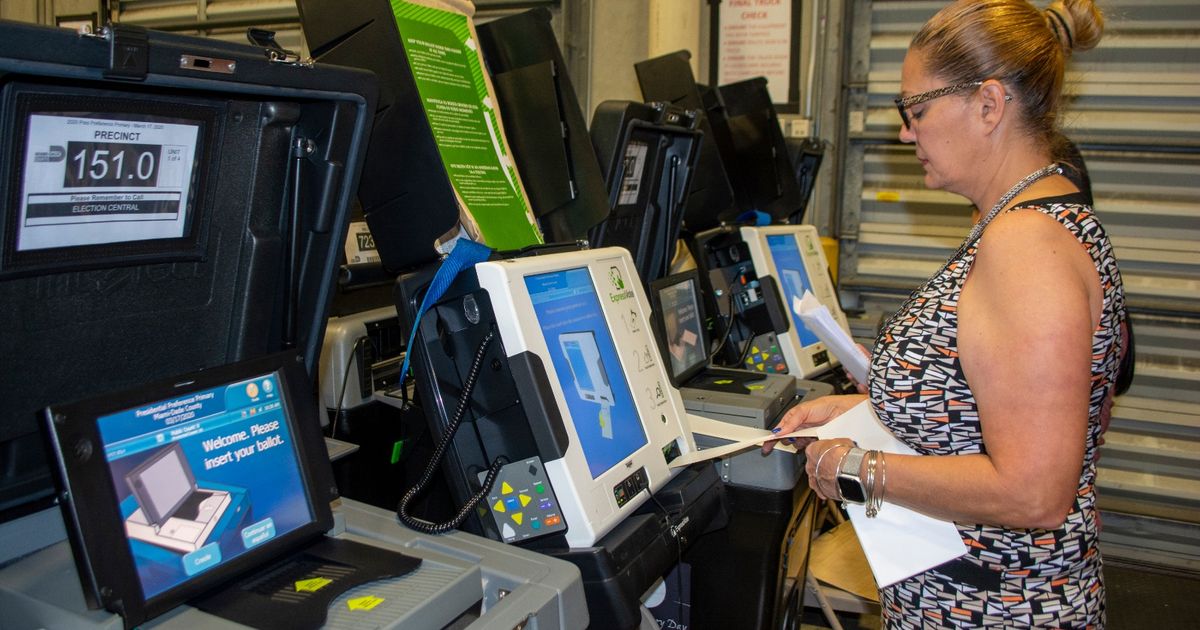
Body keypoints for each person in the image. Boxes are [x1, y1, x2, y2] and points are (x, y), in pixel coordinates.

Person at [763, 0, 1125, 627]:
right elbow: (1005, 411)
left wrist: (856, 465)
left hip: (995, 608)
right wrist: (867, 408)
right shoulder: (1035, 218)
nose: (906, 132)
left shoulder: (1025, 246)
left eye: (917, 109)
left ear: (988, 105)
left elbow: (1034, 490)